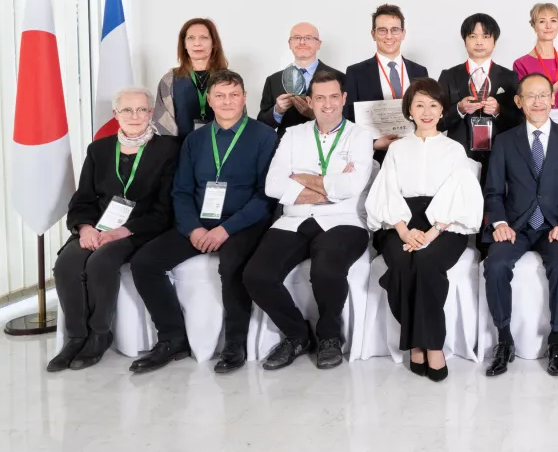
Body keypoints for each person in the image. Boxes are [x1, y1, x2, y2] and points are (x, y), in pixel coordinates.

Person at [129, 70, 278, 375]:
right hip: (199, 222)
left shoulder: (265, 136)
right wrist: (193, 228)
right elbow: (181, 191)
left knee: (232, 263)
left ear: (244, 98)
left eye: (234, 95)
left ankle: (235, 342)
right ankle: (172, 338)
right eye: (220, 95)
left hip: (243, 224)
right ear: (209, 100)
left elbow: (266, 196)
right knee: (144, 262)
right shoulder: (194, 140)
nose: (227, 101)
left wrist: (225, 230)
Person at [243, 70, 376, 371]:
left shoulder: (360, 135)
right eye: (320, 98)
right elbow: (273, 185)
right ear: (310, 101)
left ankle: (329, 336)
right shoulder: (293, 135)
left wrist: (300, 178)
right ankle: (297, 334)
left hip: (344, 220)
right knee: (256, 275)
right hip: (294, 219)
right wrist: (331, 188)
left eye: (334, 97)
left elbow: (353, 186)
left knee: (326, 269)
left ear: (344, 98)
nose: (327, 104)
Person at [47, 87, 179, 372]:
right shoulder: (99, 149)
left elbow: (164, 209)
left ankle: (99, 335)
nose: (135, 116)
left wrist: (121, 232)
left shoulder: (168, 149)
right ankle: (75, 338)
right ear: (115, 114)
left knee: (101, 261)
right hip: (98, 226)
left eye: (142, 110)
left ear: (151, 113)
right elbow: (83, 198)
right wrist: (85, 229)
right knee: (66, 264)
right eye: (127, 110)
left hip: (140, 229)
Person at [365, 78, 484, 382]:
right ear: (409, 110)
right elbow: (387, 191)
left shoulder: (454, 149)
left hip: (445, 224)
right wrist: (404, 231)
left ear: (443, 110)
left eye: (433, 104)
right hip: (399, 221)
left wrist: (432, 233)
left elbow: (458, 195)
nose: (427, 111)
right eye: (419, 105)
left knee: (427, 261)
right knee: (402, 262)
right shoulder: (396, 149)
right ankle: (421, 343)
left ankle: (428, 345)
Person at [482, 72, 558, 378]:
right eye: (530, 96)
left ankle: (556, 339)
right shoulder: (505, 141)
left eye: (544, 95)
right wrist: (500, 222)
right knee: (495, 265)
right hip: (515, 226)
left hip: (555, 226)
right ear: (518, 102)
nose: (538, 102)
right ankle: (504, 339)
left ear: (553, 99)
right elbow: (493, 191)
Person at [436, 12, 522, 179]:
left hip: (498, 154)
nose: (479, 42)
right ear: (465, 41)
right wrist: (459, 109)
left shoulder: (509, 77)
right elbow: (437, 122)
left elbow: (519, 121)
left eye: (486, 36)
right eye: (473, 36)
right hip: (459, 157)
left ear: (494, 41)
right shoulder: (448, 76)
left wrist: (498, 110)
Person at [343, 4, 429, 162]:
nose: (389, 36)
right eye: (382, 30)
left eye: (395, 30)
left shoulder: (420, 72)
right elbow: (348, 119)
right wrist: (373, 144)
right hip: (376, 158)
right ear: (373, 34)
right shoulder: (356, 73)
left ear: (403, 33)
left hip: (415, 153)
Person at [256, 22, 346, 141]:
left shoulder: (340, 78)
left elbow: (349, 119)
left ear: (318, 44)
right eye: (297, 38)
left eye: (308, 38)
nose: (302, 42)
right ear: (290, 43)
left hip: (328, 145)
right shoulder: (273, 80)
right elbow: (261, 126)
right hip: (287, 146)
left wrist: (313, 114)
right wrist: (277, 111)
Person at [511, 3, 558, 129]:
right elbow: (523, 104)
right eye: (542, 21)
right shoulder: (521, 64)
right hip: (536, 130)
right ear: (534, 25)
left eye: (553, 20)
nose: (548, 26)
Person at [153, 17, 228, 138]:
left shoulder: (228, 79)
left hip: (223, 146)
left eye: (204, 38)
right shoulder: (169, 80)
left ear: (214, 43)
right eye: (191, 38)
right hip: (180, 146)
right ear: (184, 44)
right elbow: (163, 122)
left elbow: (238, 118)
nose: (197, 43)